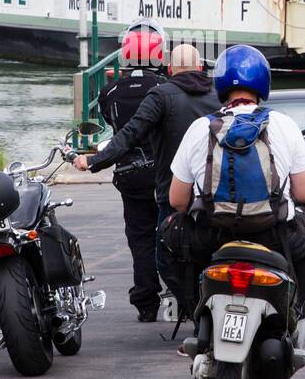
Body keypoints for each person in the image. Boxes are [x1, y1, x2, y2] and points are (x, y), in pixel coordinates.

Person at [168, 45, 305, 330]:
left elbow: (177, 201)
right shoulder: (284, 124)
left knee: (169, 237)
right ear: (263, 82)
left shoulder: (199, 128)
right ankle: (295, 310)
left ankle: (195, 311)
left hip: (213, 236)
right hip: (274, 236)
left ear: (220, 84)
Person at [74, 43, 220, 317]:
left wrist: (92, 161)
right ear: (201, 67)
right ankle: (212, 308)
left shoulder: (161, 96)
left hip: (172, 192)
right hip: (213, 193)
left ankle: (200, 314)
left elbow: (129, 135)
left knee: (166, 260)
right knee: (211, 253)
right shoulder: (217, 94)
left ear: (171, 68)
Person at [90, 19, 167, 321]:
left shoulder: (110, 91)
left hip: (128, 175)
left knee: (140, 240)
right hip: (162, 173)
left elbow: (112, 124)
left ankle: (146, 302)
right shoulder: (164, 88)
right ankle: (178, 295)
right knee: (172, 235)